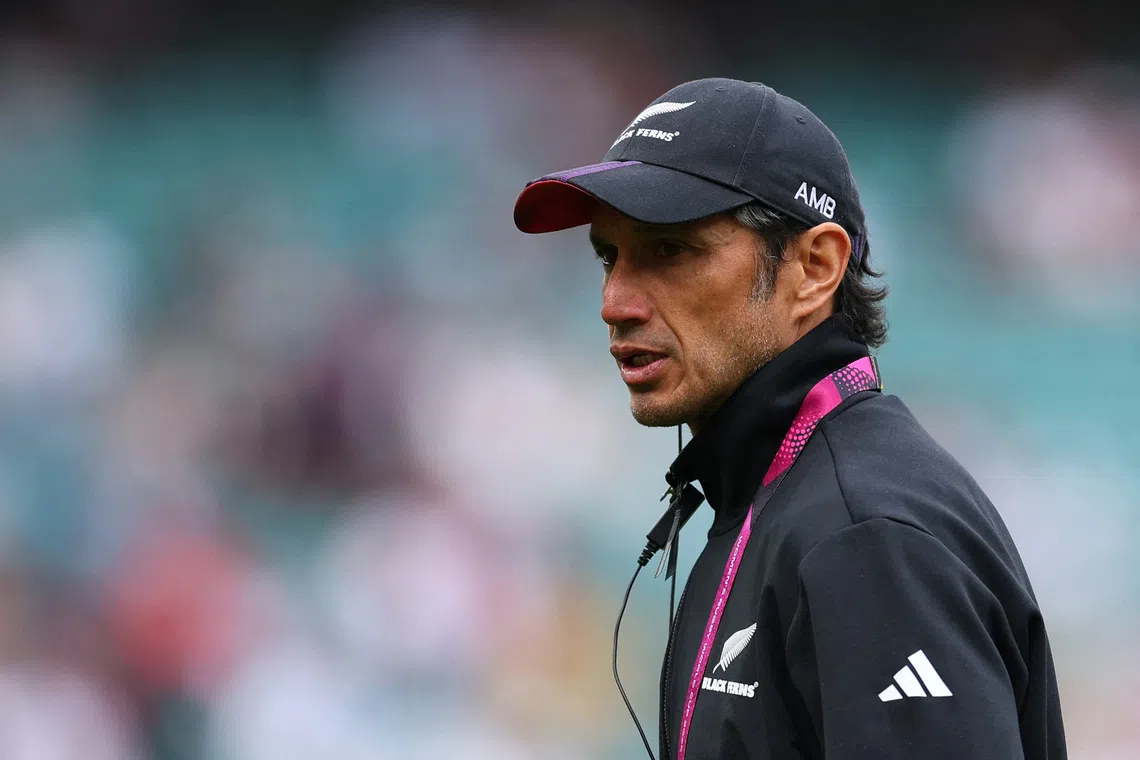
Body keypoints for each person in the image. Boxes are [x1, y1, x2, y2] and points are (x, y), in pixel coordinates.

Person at [512, 78, 1067, 760]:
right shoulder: (770, 502)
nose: (615, 301)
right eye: (609, 256)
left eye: (670, 251)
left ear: (814, 267)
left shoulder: (864, 534)